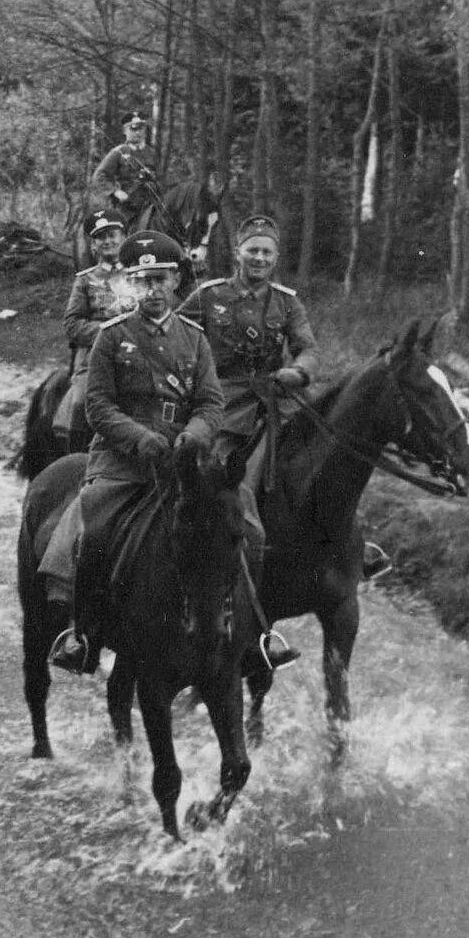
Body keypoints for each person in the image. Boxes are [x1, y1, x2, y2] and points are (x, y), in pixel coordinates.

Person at [46, 232, 223, 674]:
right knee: (93, 531)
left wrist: (195, 435)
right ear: (129, 285)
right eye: (142, 281)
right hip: (122, 461)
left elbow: (210, 403)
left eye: (160, 280)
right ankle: (82, 632)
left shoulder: (195, 339)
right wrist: (139, 438)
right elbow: (99, 405)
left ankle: (247, 627)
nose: (152, 290)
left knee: (239, 523)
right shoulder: (111, 337)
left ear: (176, 281)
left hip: (183, 462)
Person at [178, 214, 319, 669]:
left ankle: (352, 545)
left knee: (321, 461)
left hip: (277, 401)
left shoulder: (287, 303)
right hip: (224, 406)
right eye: (252, 250)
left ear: (276, 259)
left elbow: (307, 347)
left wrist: (298, 371)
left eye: (267, 253)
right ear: (238, 251)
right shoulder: (209, 295)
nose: (259, 258)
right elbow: (175, 339)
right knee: (226, 493)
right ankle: (242, 617)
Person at [54, 209, 130, 440]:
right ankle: (77, 463)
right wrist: (108, 334)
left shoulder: (139, 275)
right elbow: (72, 323)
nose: (107, 241)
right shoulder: (85, 280)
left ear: (124, 237)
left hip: (138, 350)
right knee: (80, 404)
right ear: (93, 246)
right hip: (95, 357)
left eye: (112, 235)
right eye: (100, 237)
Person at [91, 110, 160, 231]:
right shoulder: (119, 152)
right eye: (133, 129)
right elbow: (99, 176)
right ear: (125, 131)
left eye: (141, 129)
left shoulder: (152, 153)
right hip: (128, 207)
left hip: (152, 205)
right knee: (122, 234)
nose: (138, 132)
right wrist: (115, 191)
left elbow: (162, 177)